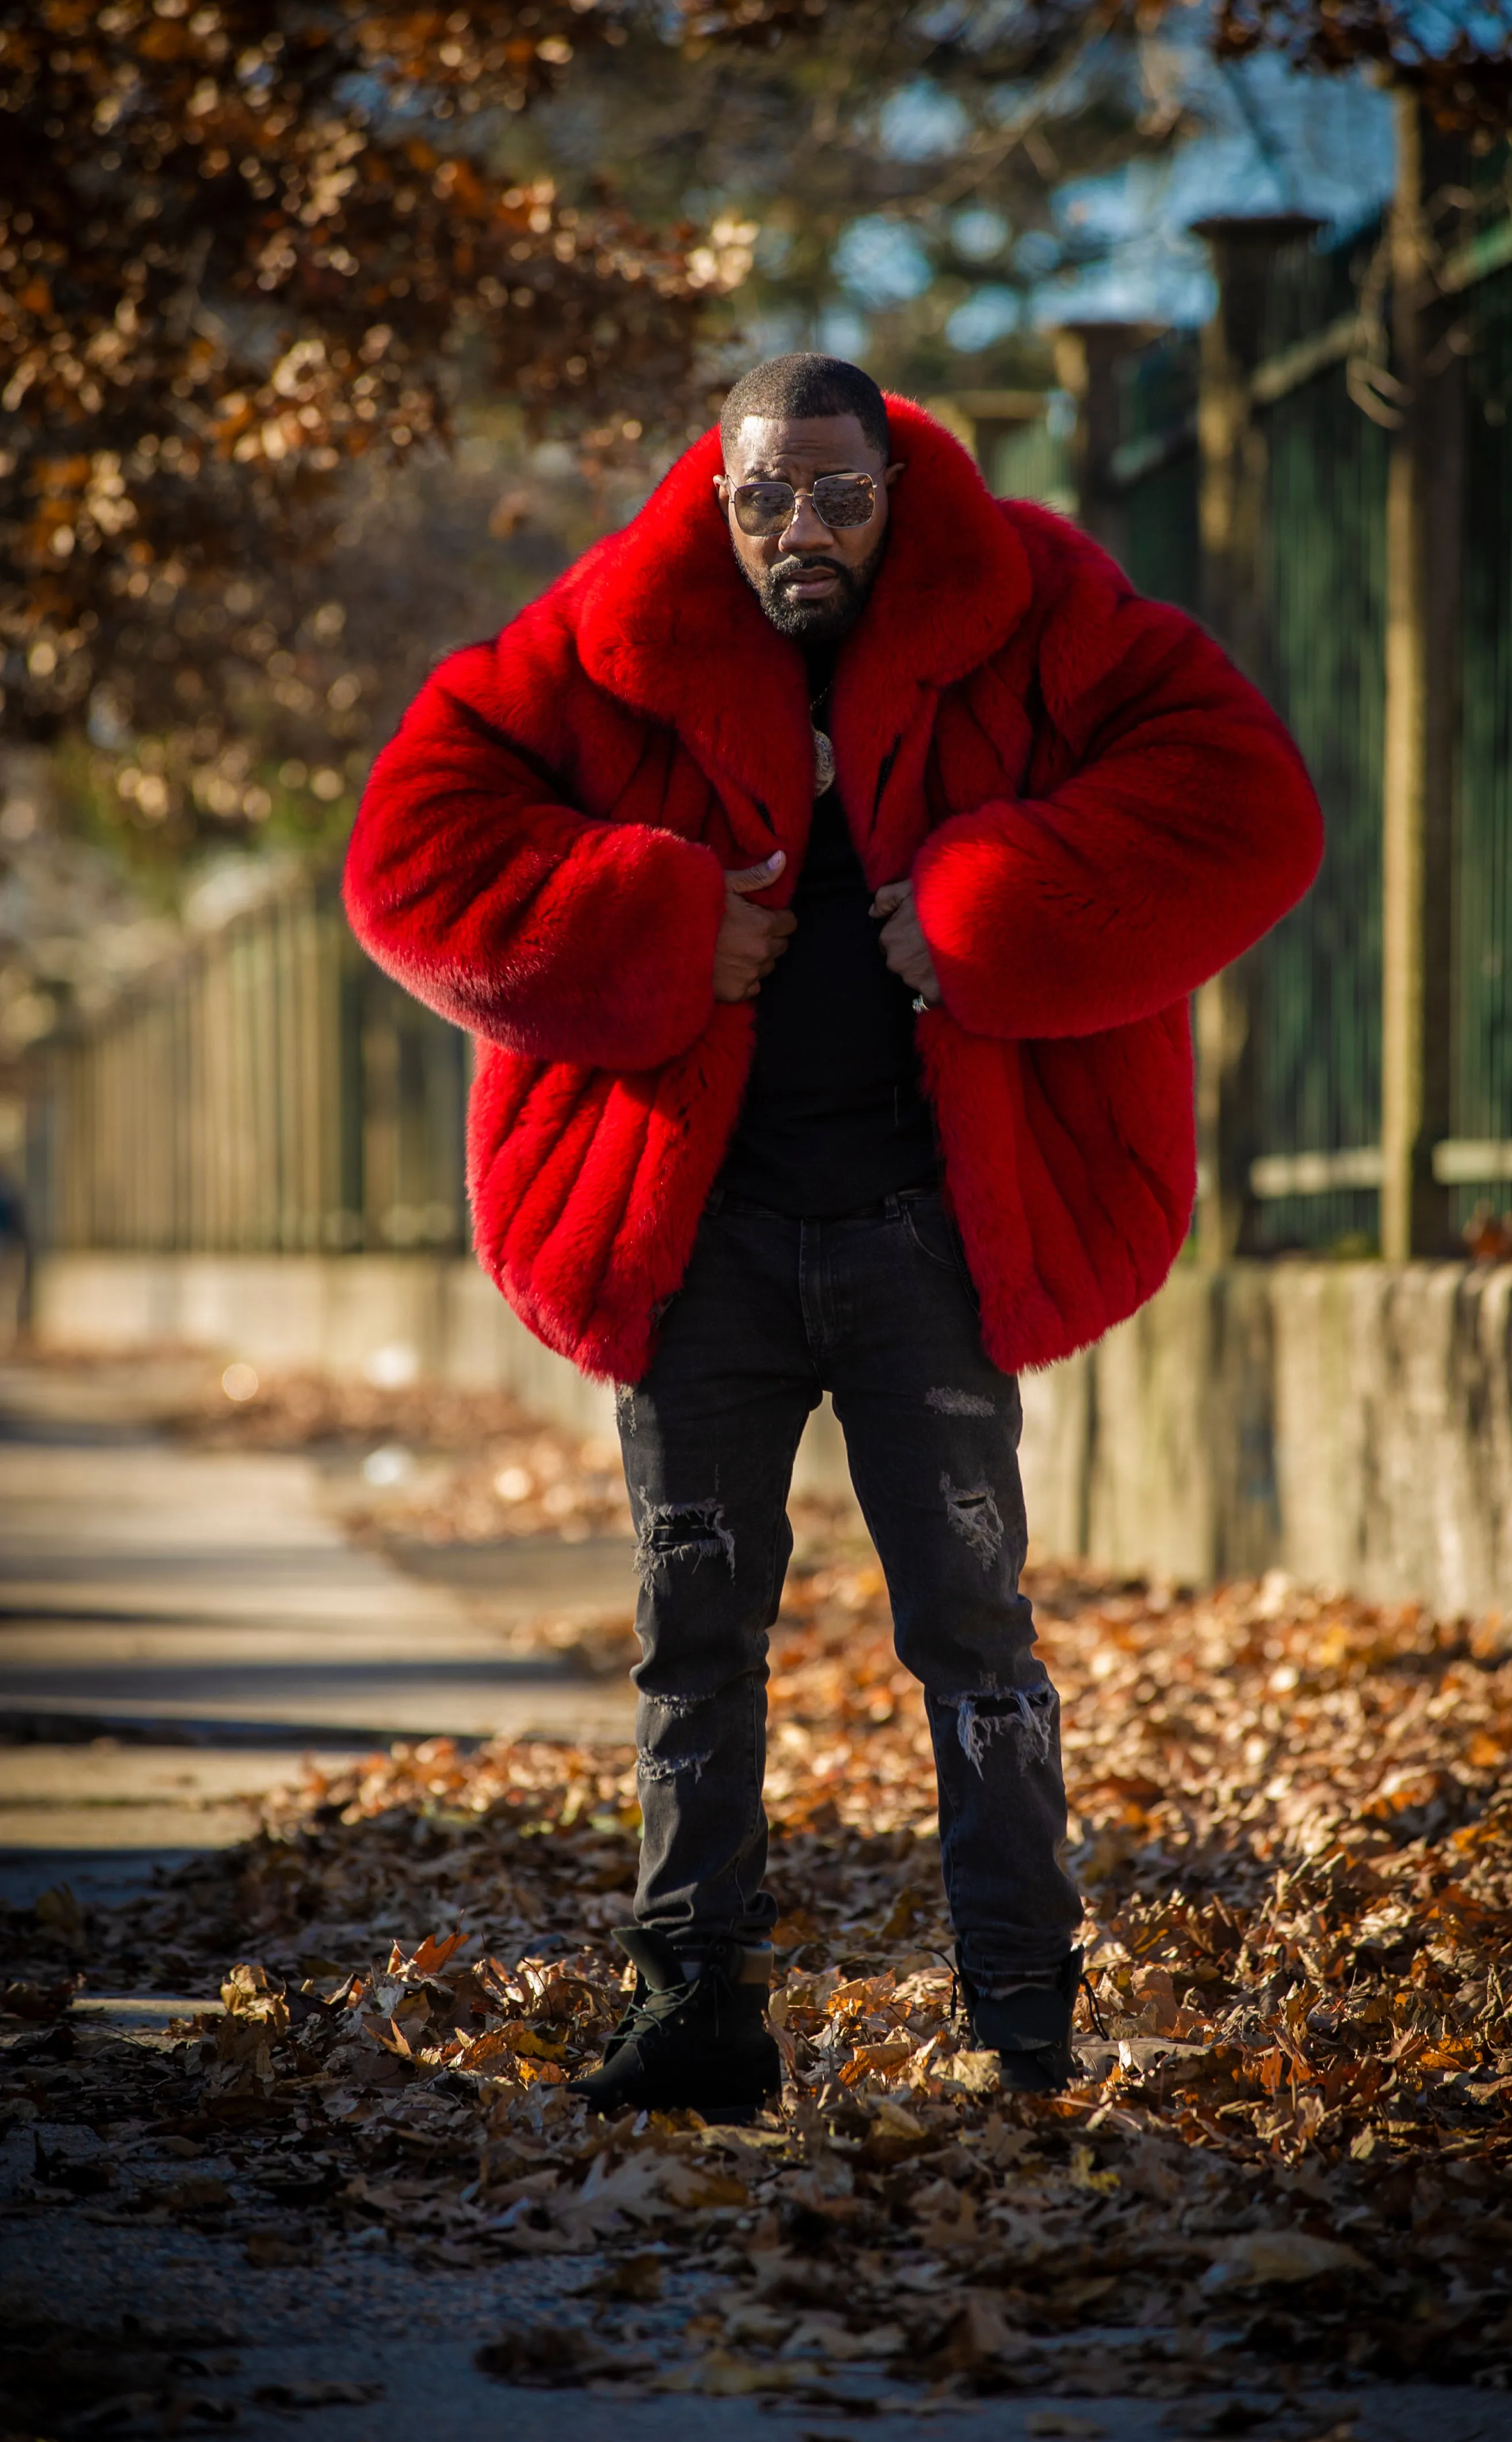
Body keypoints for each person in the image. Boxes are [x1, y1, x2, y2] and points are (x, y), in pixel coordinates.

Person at [344, 354, 1321, 2113]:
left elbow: (1245, 801)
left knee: (974, 1627)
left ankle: (1026, 2026)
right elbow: (410, 850)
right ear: (716, 490)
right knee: (689, 1635)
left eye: (842, 497)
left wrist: (985, 912)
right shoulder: (604, 631)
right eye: (767, 496)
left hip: (924, 1229)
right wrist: (644, 918)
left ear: (899, 488)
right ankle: (701, 2013)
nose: (804, 529)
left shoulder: (1036, 607)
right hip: (692, 1232)